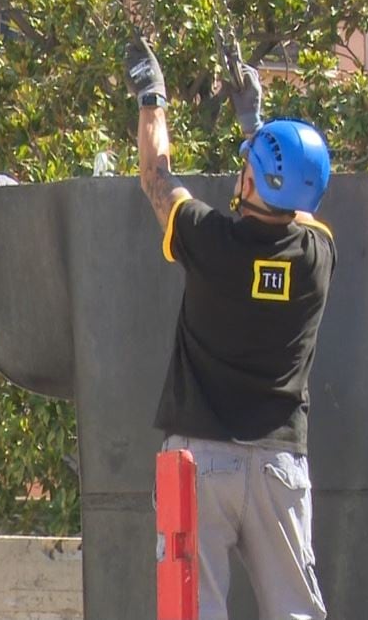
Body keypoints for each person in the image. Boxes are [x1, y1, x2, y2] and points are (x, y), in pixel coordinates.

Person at [125, 36, 335, 620]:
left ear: (253, 182)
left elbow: (156, 177)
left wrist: (152, 96)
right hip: (277, 463)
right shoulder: (317, 255)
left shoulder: (210, 240)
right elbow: (291, 201)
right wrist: (256, 129)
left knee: (192, 609)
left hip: (200, 459)